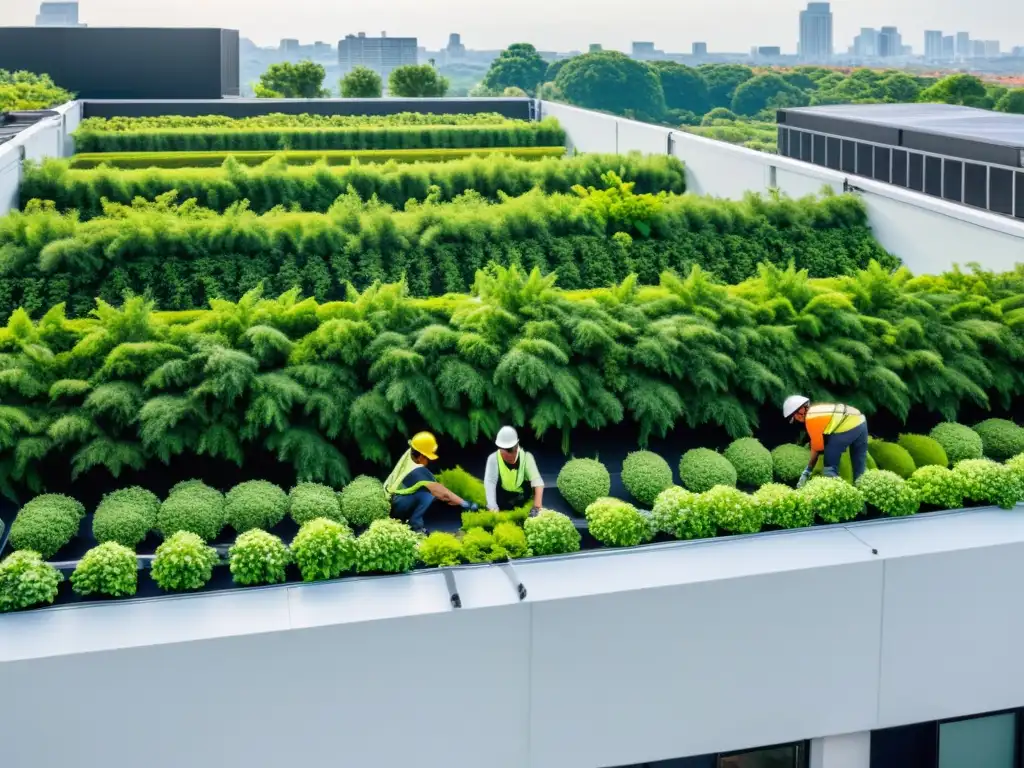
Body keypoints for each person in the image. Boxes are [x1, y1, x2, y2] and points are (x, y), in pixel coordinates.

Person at [384, 431, 477, 533]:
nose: (428, 461)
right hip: (395, 506)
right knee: (428, 494)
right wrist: (465, 504)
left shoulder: (410, 453)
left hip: (391, 498)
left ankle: (408, 522)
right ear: (420, 456)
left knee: (428, 490)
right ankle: (416, 528)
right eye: (428, 457)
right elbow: (443, 494)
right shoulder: (417, 471)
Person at [783, 396, 869, 489]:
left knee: (829, 468)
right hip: (861, 421)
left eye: (795, 415)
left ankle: (836, 494)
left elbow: (817, 448)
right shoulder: (817, 409)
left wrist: (807, 471)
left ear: (802, 409)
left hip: (846, 426)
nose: (797, 419)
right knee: (859, 465)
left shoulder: (811, 419)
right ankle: (862, 493)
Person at [483, 426, 544, 516]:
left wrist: (537, 507)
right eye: (503, 454)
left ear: (516, 447)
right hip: (503, 494)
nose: (506, 458)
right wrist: (492, 505)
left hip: (522, 495)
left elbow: (537, 482)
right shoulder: (493, 458)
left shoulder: (527, 457)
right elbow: (490, 482)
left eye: (509, 455)